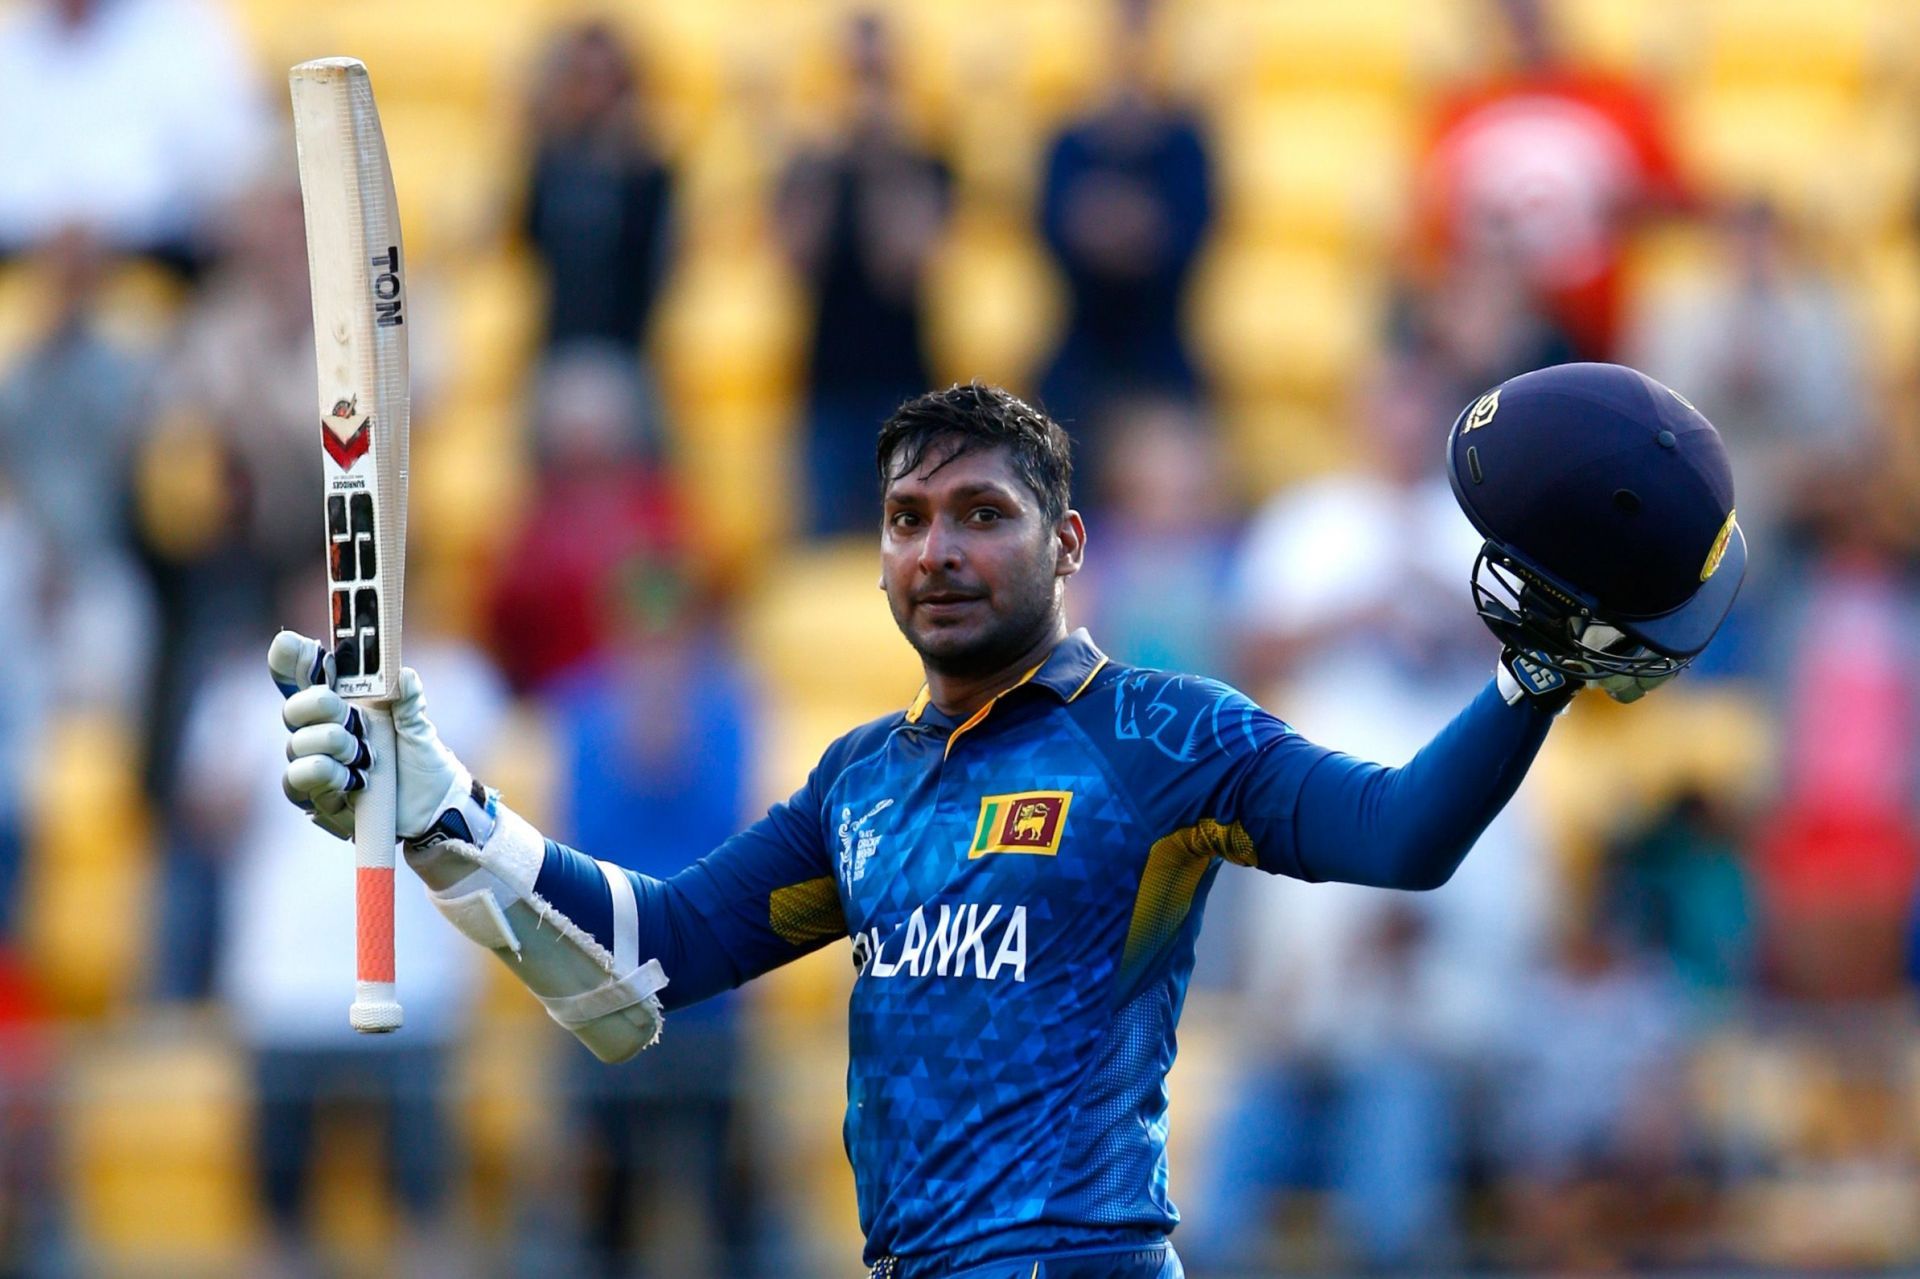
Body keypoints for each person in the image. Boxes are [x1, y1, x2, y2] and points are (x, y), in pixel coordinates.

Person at [270, 371, 1738, 1277]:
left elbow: (1404, 835)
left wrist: (1532, 679)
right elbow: (642, 967)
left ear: (1069, 546)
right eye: (909, 520)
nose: (938, 551)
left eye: (983, 514)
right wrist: (439, 806)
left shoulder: (1168, 735)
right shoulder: (859, 779)